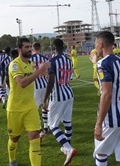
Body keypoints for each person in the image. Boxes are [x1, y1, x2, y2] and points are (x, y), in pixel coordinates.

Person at [89, 31, 120, 166]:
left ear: (100, 44)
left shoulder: (103, 64)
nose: (95, 48)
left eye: (95, 45)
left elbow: (106, 94)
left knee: (101, 153)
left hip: (111, 118)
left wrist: (99, 124)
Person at [6, 37, 50, 166]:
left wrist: (44, 72)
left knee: (35, 139)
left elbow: (35, 76)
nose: (30, 49)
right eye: (26, 47)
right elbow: (22, 83)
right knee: (14, 138)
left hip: (30, 107)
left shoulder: (30, 63)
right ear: (19, 49)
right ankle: (12, 160)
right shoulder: (14, 64)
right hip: (15, 108)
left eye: (30, 46)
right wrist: (39, 71)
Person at [43, 38, 77, 166]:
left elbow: (51, 82)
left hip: (58, 95)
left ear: (54, 48)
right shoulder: (68, 60)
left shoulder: (52, 61)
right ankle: (66, 146)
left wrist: (45, 99)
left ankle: (68, 148)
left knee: (53, 125)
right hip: (69, 92)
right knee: (67, 121)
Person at [30, 42, 49, 137]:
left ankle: (39, 128)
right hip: (45, 85)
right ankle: (46, 126)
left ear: (32, 49)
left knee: (35, 109)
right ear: (40, 49)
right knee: (45, 105)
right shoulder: (45, 59)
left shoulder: (29, 60)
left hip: (35, 87)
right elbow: (49, 73)